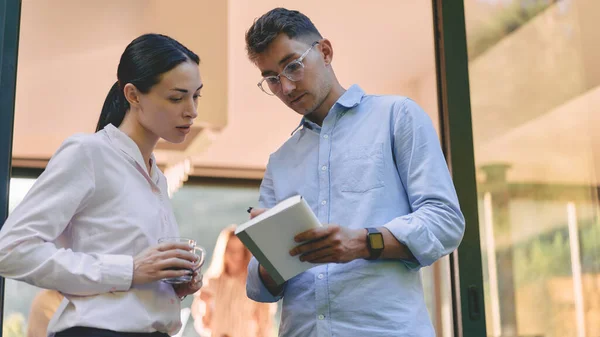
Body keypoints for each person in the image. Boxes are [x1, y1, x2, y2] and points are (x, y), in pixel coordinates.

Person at [244, 8, 466, 336]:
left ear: (325, 52)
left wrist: (360, 242)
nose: (287, 87)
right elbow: (260, 286)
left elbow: (445, 221)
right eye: (272, 79)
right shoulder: (280, 161)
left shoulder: (397, 117)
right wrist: (271, 255)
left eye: (292, 66)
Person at [0, 33, 205, 337]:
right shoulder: (89, 153)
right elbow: (11, 250)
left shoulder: (156, 177)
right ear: (133, 95)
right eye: (176, 97)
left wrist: (172, 286)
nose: (192, 110)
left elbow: (131, 279)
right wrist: (129, 270)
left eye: (196, 95)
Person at [191, 225, 275, 337]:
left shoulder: (256, 285)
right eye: (230, 250)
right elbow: (203, 325)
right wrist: (205, 304)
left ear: (245, 252)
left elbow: (265, 324)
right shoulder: (210, 282)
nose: (235, 255)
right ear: (222, 251)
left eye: (239, 250)